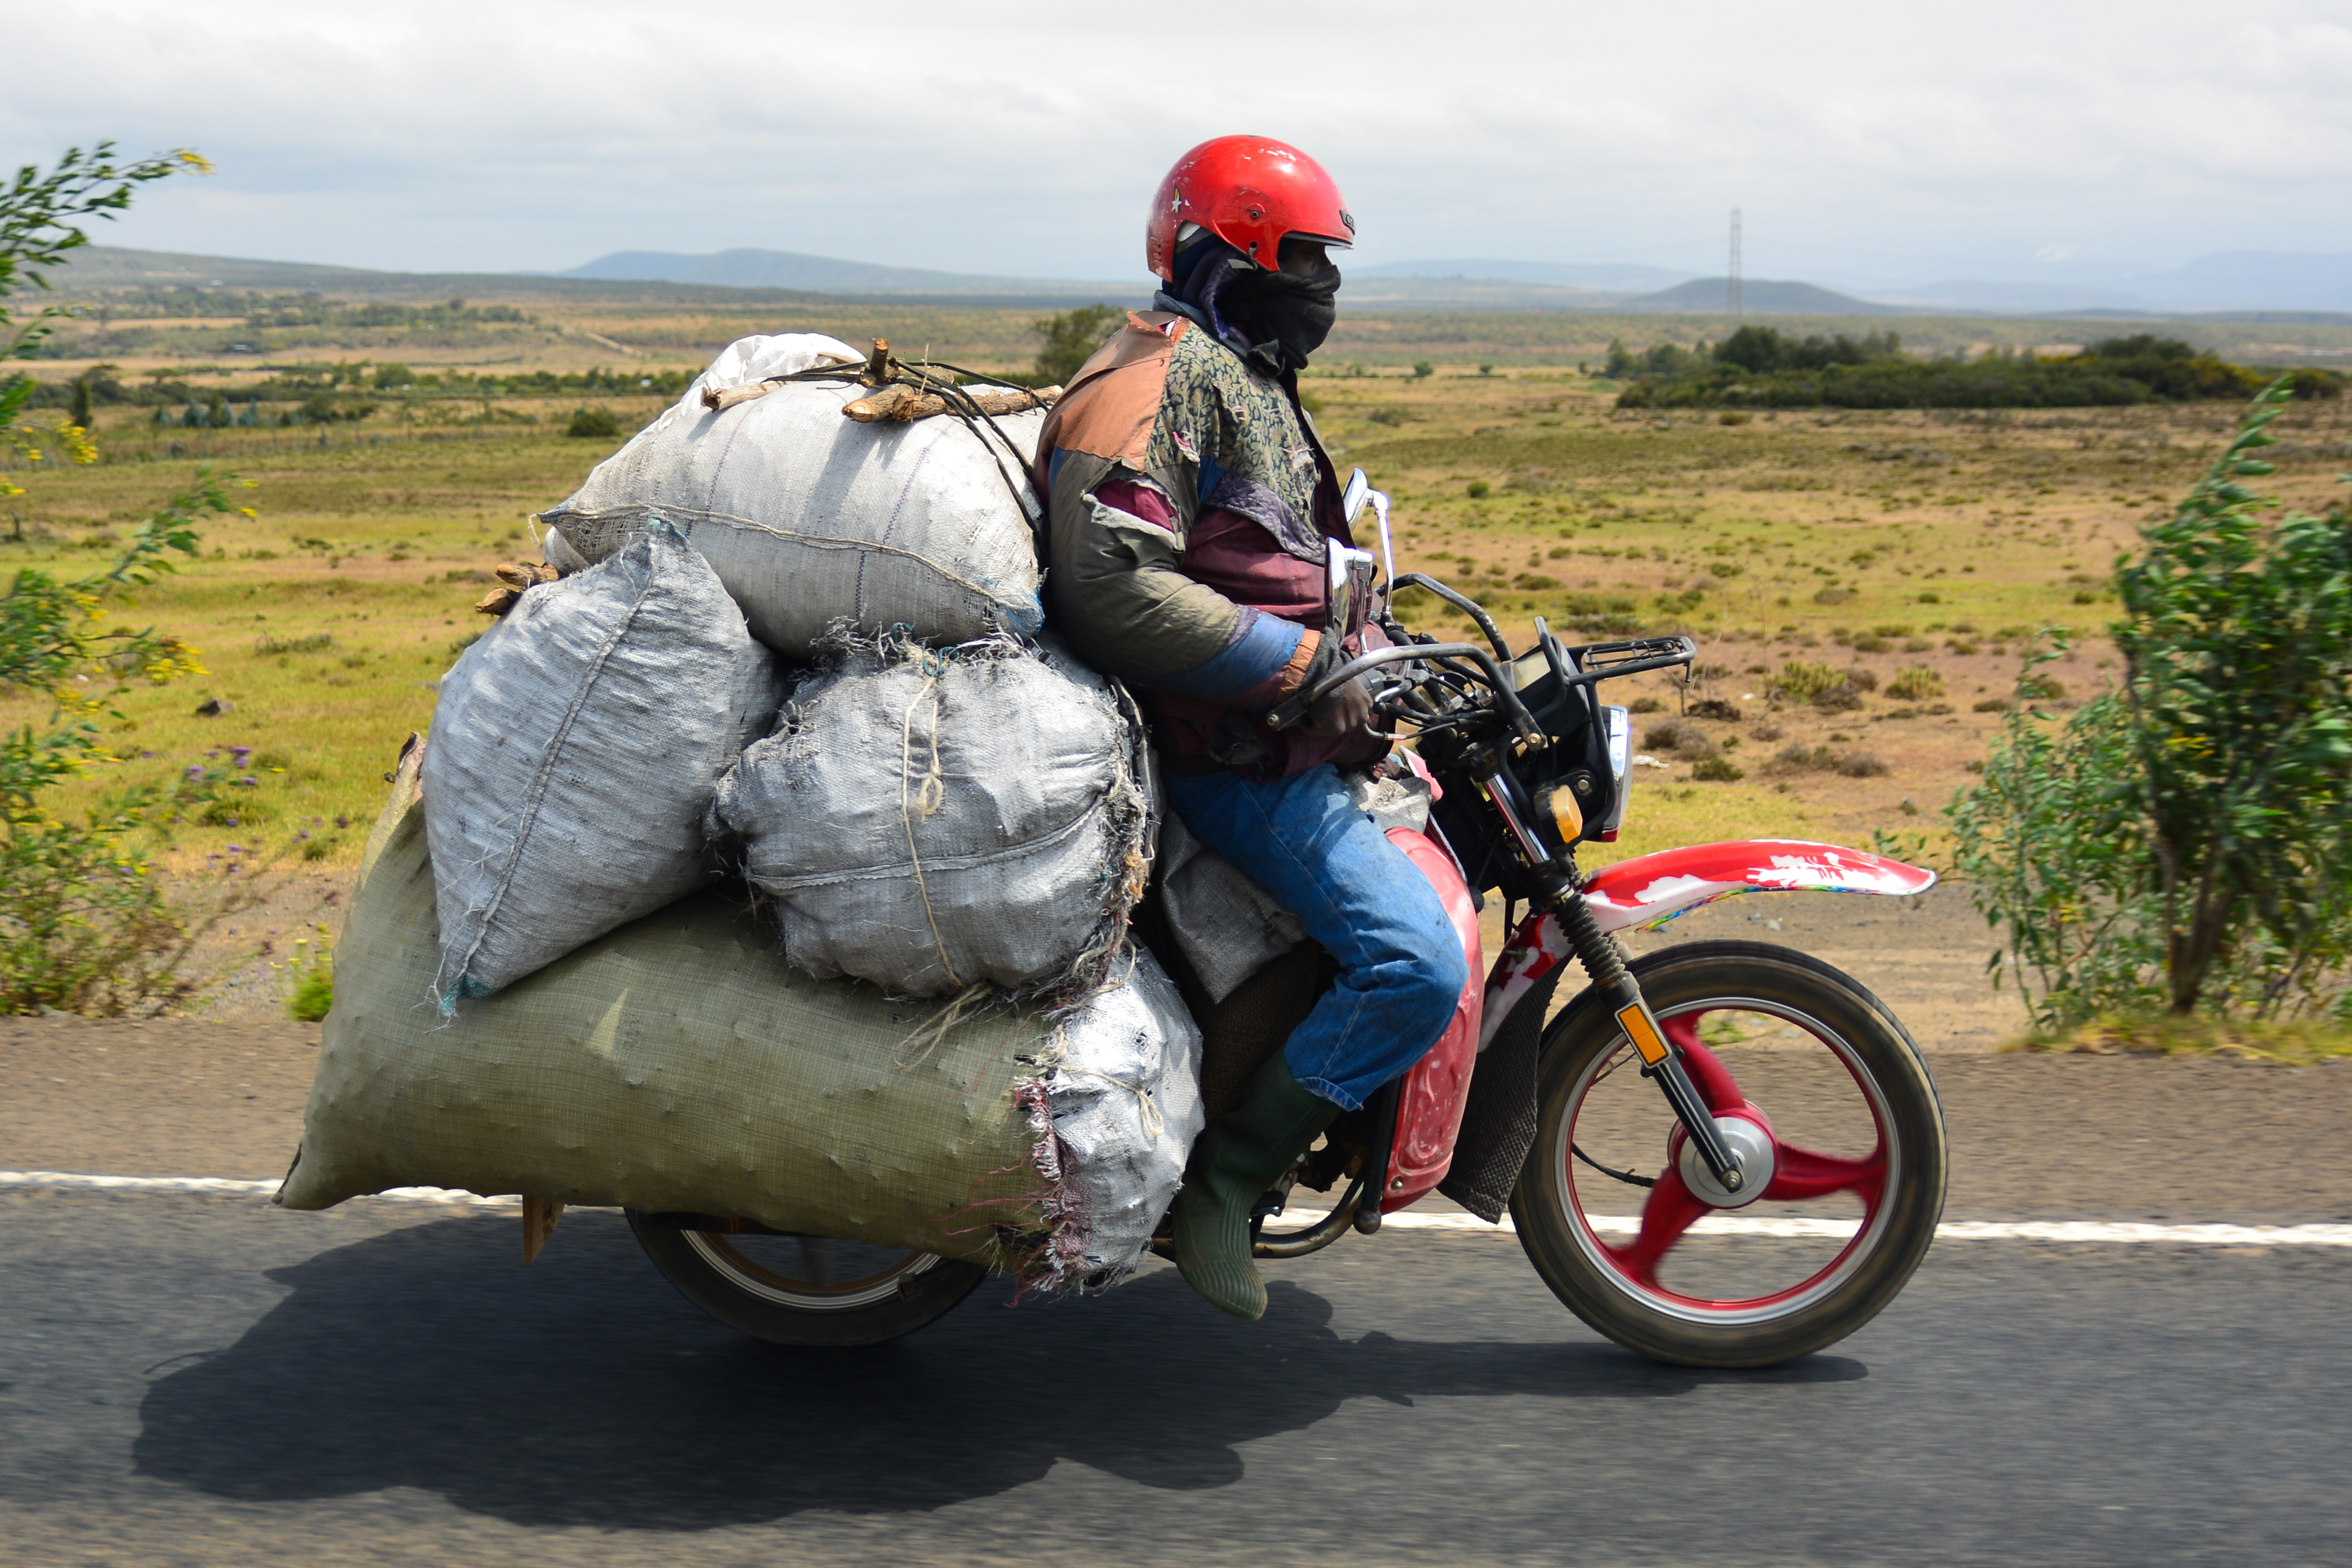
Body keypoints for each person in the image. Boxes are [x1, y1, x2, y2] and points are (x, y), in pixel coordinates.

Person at [1033, 135, 1468, 1319]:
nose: (1323, 291)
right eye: (1303, 263)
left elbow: (1269, 563)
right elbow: (1110, 583)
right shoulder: (1161, 381)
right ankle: (1228, 1179)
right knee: (1415, 964)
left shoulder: (1238, 373)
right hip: (1238, 761)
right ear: (1231, 256)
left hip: (1294, 732)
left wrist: (1371, 651)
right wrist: (1299, 665)